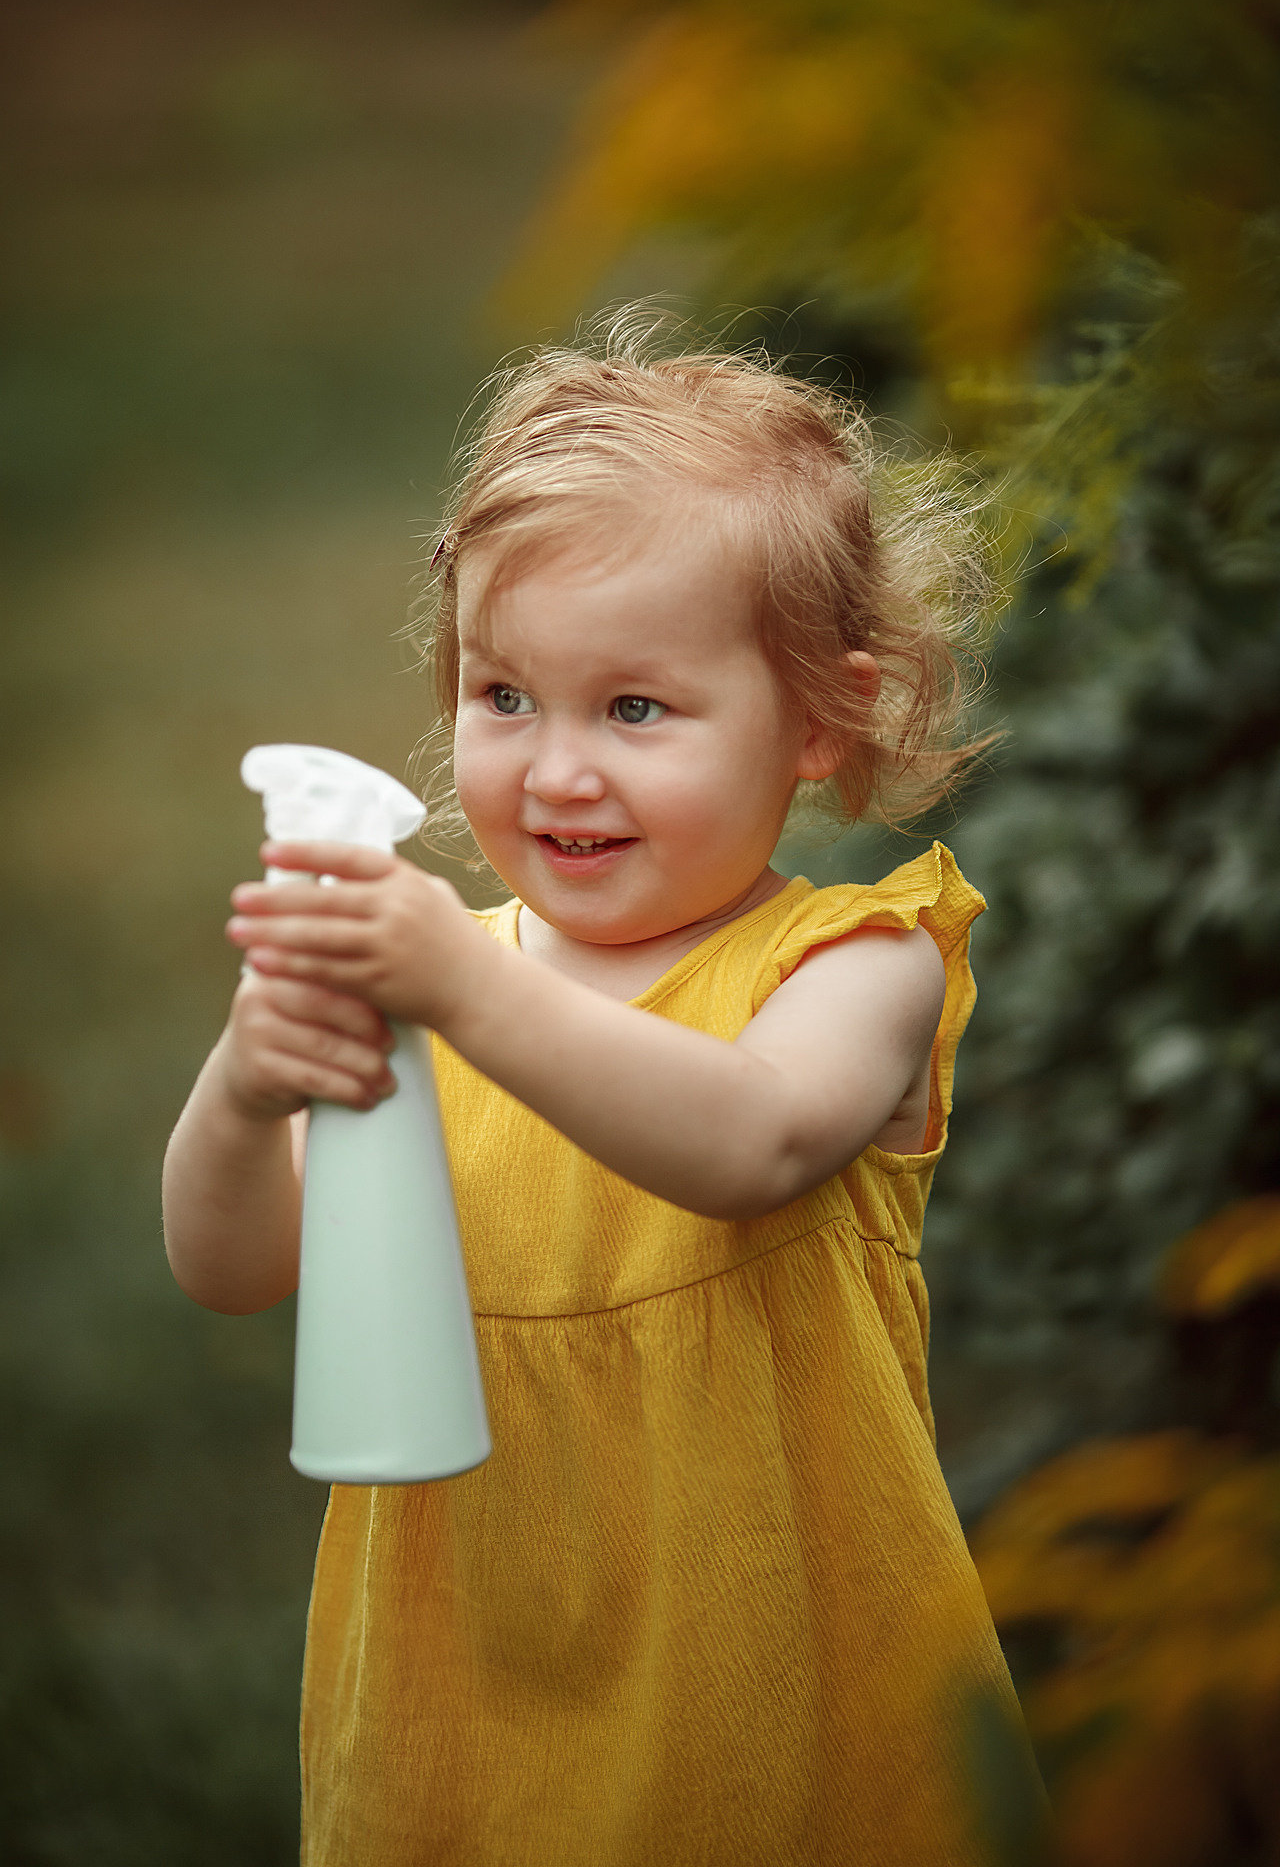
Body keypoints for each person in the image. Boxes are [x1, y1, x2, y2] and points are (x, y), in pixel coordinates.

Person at [163, 318, 1044, 1866]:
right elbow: (230, 1270)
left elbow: (751, 1143)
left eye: (634, 709)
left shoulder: (854, 966)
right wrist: (247, 1087)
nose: (556, 769)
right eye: (506, 695)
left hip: (769, 1678)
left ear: (823, 719)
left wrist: (458, 986)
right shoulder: (440, 979)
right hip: (469, 1676)